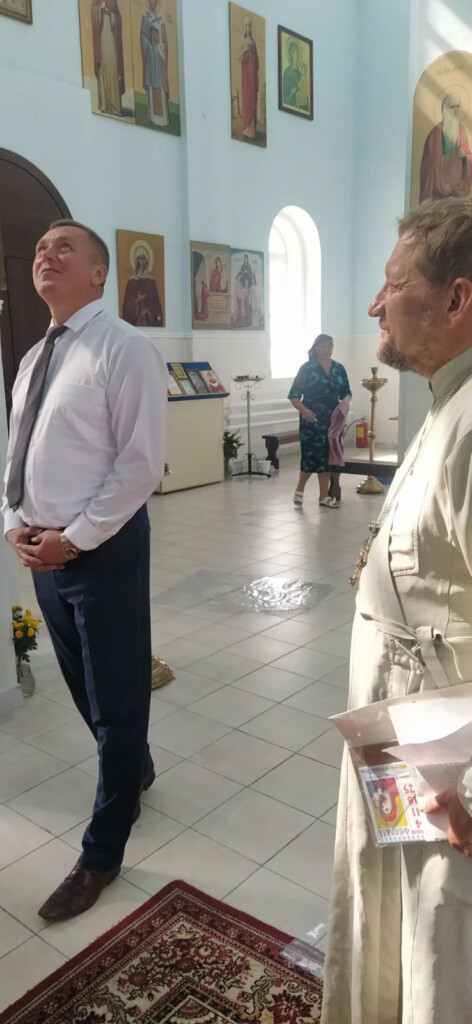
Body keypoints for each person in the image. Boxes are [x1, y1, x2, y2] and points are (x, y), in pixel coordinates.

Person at [321, 197, 472, 1024]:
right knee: (398, 919)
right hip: (406, 732)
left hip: (448, 757)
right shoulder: (449, 400)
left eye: (393, 283)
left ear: (457, 299)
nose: (376, 304)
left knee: (438, 940)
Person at [2, 219, 167, 922]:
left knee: (118, 694)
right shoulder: (34, 358)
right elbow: (18, 451)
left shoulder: (124, 348)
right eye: (42, 248)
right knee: (82, 684)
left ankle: (101, 852)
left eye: (64, 247)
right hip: (42, 548)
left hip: (101, 549)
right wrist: (13, 521)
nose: (47, 254)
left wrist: (73, 541)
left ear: (100, 273)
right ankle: (137, 767)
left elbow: (140, 465)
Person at [288, 335, 351, 508]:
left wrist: (345, 403)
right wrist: (303, 411)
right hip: (311, 419)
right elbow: (294, 395)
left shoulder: (339, 368)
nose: (327, 349)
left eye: (330, 346)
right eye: (323, 346)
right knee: (311, 456)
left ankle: (323, 496)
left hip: (332, 420)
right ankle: (300, 489)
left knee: (327, 457)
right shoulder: (307, 369)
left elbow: (346, 392)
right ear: (316, 348)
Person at [419, 92, 472, 203]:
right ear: (444, 110)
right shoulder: (435, 133)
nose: (456, 110)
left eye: (458, 106)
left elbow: (468, 157)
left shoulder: (461, 130)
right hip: (439, 188)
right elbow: (429, 165)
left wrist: (464, 157)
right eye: (452, 107)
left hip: (458, 189)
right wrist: (441, 185)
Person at [91, 0, 125, 117]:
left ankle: (115, 105)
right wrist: (100, 9)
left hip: (111, 38)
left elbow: (118, 17)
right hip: (101, 38)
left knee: (113, 68)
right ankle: (104, 104)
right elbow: (93, 10)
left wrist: (111, 14)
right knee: (103, 68)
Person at [140, 0, 169, 127]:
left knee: (160, 86)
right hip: (150, 56)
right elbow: (142, 36)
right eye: (151, 1)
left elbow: (165, 40)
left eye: (154, 2)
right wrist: (148, 43)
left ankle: (162, 119)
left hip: (158, 56)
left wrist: (161, 45)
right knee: (152, 84)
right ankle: (153, 116)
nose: (152, 3)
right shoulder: (145, 17)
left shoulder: (161, 21)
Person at [122, 244, 163, 326]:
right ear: (136, 260)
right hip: (135, 321)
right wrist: (137, 301)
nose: (142, 262)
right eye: (140, 258)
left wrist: (148, 310)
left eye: (144, 258)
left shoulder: (151, 281)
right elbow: (126, 307)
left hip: (148, 320)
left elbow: (157, 305)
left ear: (147, 260)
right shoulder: (132, 281)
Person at [238, 16, 259, 140]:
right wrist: (245, 52)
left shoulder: (254, 42)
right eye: (246, 25)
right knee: (246, 98)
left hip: (252, 76)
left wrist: (252, 57)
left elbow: (257, 62)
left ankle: (252, 131)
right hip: (246, 75)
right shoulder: (243, 40)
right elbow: (239, 58)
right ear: (244, 26)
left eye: (250, 25)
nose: (248, 27)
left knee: (253, 99)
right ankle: (246, 129)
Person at [235, 254, 256, 327]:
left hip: (248, 287)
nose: (246, 260)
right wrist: (240, 275)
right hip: (244, 286)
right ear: (244, 259)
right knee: (243, 306)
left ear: (248, 259)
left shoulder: (249, 267)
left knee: (248, 305)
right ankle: (244, 321)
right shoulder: (242, 266)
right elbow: (240, 273)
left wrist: (250, 278)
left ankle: (248, 321)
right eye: (245, 259)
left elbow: (251, 274)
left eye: (246, 259)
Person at [282, 41, 301, 107]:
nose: (295, 56)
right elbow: (284, 91)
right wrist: (291, 92)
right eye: (293, 53)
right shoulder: (287, 71)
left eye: (296, 54)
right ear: (291, 56)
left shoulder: (300, 72)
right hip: (291, 101)